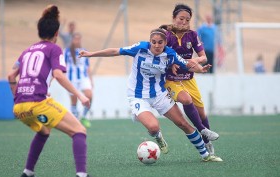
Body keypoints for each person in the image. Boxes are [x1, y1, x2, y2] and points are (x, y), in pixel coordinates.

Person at [80, 28, 222, 162]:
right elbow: (115, 51)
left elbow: (187, 64)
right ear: (150, 41)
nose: (156, 45)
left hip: (159, 94)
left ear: (165, 42)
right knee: (153, 127)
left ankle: (205, 155)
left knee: (183, 123)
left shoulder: (170, 54)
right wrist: (90, 54)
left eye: (160, 42)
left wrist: (200, 69)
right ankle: (158, 137)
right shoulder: (141, 48)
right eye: (153, 42)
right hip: (137, 95)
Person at [7, 5, 102, 177]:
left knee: (43, 132)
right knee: (79, 131)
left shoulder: (27, 51)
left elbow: (11, 76)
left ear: (39, 31)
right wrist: (80, 96)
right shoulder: (54, 49)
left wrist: (17, 97)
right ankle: (81, 176)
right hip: (38, 103)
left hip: (19, 107)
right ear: (57, 33)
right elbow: (59, 75)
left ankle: (27, 172)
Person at [160, 4, 221, 158]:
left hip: (188, 78)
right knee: (186, 100)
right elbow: (158, 55)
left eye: (187, 20)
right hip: (170, 79)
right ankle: (202, 130)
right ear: (174, 18)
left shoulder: (192, 35)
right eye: (181, 18)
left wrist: (196, 60)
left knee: (201, 112)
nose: (184, 22)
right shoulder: (165, 35)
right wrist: (171, 62)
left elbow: (204, 56)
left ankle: (207, 143)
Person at [65, 33, 93, 128]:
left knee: (89, 96)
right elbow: (63, 65)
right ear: (72, 40)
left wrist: (91, 79)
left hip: (83, 78)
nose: (77, 41)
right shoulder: (67, 51)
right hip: (71, 79)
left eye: (79, 39)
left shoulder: (84, 51)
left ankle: (84, 116)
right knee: (74, 101)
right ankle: (75, 120)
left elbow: (87, 66)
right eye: (75, 39)